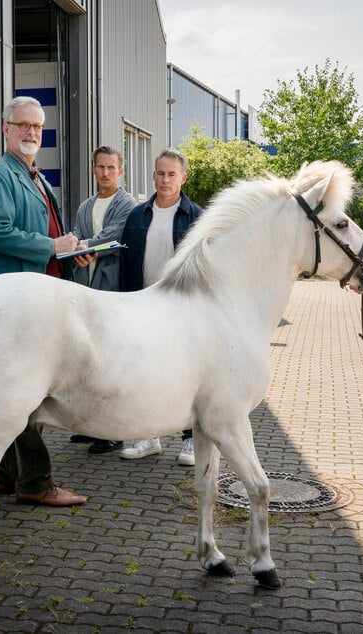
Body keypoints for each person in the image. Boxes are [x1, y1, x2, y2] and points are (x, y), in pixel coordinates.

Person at [0, 95, 87, 507]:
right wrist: (52, 244)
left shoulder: (37, 177)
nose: (31, 133)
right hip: (13, 302)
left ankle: (6, 477)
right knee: (26, 394)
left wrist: (72, 251)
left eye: (37, 127)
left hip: (40, 294)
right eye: (23, 125)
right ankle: (36, 482)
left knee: (20, 391)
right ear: (6, 129)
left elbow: (50, 236)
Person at [117, 148, 203, 466]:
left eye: (172, 174)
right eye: (160, 173)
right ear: (153, 176)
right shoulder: (137, 215)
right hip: (142, 306)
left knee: (186, 376)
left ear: (183, 177)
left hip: (183, 310)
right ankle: (148, 435)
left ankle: (191, 439)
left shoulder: (197, 218)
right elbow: (127, 263)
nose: (165, 179)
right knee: (145, 374)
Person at [67, 146, 137, 455]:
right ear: (93, 169)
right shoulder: (85, 206)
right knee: (86, 358)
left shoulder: (128, 205)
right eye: (100, 167)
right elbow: (78, 234)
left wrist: (82, 247)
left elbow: (113, 236)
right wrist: (79, 251)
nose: (105, 172)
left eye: (111, 167)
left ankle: (113, 432)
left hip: (109, 289)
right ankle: (90, 425)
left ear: (120, 171)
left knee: (110, 362)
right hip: (85, 287)